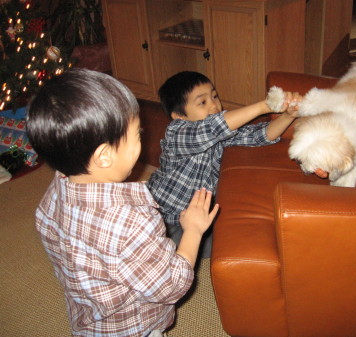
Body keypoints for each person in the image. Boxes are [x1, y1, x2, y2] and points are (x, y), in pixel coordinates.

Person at [26, 68, 219, 337]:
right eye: (137, 134)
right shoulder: (131, 222)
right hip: (134, 328)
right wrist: (194, 230)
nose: (143, 138)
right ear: (104, 157)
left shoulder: (58, 187)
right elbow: (170, 286)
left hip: (90, 318)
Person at [147, 71, 300, 257]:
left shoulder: (220, 135)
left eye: (214, 96)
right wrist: (265, 106)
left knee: (232, 247)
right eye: (202, 102)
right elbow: (215, 126)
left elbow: (259, 135)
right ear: (179, 117)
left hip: (198, 218)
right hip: (164, 219)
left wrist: (288, 116)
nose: (214, 105)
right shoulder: (177, 133)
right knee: (168, 265)